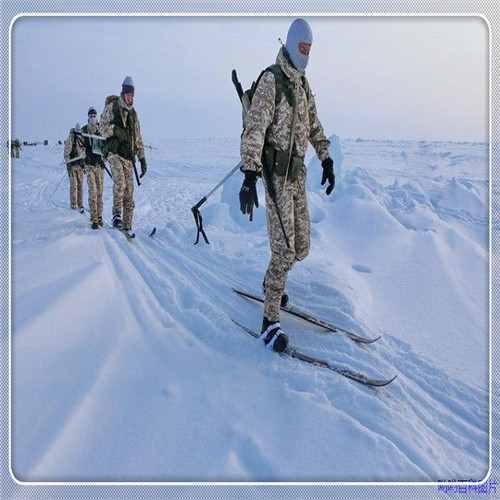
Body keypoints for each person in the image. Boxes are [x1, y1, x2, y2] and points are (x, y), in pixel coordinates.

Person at [239, 18, 335, 352]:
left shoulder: (303, 86)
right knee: (283, 250)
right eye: (303, 48)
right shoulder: (272, 80)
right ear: (292, 45)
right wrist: (250, 175)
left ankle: (271, 283)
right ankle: (269, 320)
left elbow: (315, 127)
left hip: (297, 177)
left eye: (310, 49)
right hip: (275, 177)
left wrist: (326, 159)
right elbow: (254, 128)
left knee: (301, 248)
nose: (306, 54)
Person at [99, 76, 147, 232]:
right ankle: (116, 216)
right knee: (120, 182)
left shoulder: (134, 114)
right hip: (114, 153)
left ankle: (127, 225)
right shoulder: (112, 107)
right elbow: (102, 128)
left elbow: (138, 138)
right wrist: (115, 130)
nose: (129, 97)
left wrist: (142, 158)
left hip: (128, 156)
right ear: (122, 93)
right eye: (127, 94)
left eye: (131, 95)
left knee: (129, 192)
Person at [82, 107, 105, 229]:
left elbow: (106, 145)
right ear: (88, 117)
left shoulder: (101, 129)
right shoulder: (84, 130)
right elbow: (80, 145)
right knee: (93, 191)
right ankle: (94, 219)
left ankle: (100, 216)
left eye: (94, 115)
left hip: (99, 166)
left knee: (100, 192)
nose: (92, 117)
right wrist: (84, 158)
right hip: (89, 165)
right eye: (90, 115)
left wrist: (103, 159)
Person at [63, 123, 86, 212]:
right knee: (74, 185)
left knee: (80, 185)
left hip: (80, 165)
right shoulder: (71, 138)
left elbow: (83, 152)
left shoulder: (82, 138)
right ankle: (73, 204)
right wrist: (68, 162)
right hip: (72, 166)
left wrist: (83, 164)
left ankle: (80, 204)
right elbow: (66, 152)